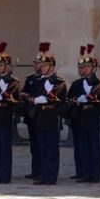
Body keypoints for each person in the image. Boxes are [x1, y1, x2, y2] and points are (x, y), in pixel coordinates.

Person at [66, 45, 100, 183]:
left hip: (93, 117)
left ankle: (94, 174)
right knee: (81, 147)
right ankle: (83, 172)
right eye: (83, 66)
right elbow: (69, 98)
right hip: (80, 118)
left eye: (88, 66)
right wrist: (76, 100)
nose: (85, 69)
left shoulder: (99, 84)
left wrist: (87, 99)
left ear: (93, 68)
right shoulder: (77, 83)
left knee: (94, 148)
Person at [30, 46, 66, 185]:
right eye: (42, 65)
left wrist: (43, 97)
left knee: (51, 148)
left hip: (52, 116)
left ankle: (51, 176)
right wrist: (40, 98)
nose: (43, 67)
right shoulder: (39, 81)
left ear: (52, 66)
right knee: (42, 148)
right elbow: (33, 97)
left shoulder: (59, 82)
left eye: (46, 65)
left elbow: (58, 99)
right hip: (41, 117)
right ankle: (43, 175)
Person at [0, 43, 19, 184]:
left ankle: (5, 175)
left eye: (1, 65)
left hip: (5, 116)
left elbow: (15, 100)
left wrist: (3, 96)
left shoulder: (13, 82)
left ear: (7, 66)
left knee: (4, 148)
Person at [20, 45, 45, 181]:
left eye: (38, 63)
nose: (36, 65)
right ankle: (35, 170)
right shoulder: (30, 78)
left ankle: (42, 170)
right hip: (31, 114)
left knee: (42, 145)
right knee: (34, 145)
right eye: (35, 63)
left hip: (41, 114)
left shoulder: (46, 80)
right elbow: (24, 91)